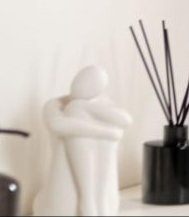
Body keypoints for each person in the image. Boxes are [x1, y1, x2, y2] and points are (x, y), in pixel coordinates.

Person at [33, 66, 132, 216]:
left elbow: (125, 120)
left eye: (93, 84)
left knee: (78, 112)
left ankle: (95, 201)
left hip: (101, 172)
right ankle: (87, 200)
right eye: (81, 80)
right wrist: (107, 132)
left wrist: (84, 106)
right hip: (64, 175)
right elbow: (58, 125)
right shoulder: (55, 104)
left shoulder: (101, 103)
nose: (83, 86)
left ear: (99, 89)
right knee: (76, 119)